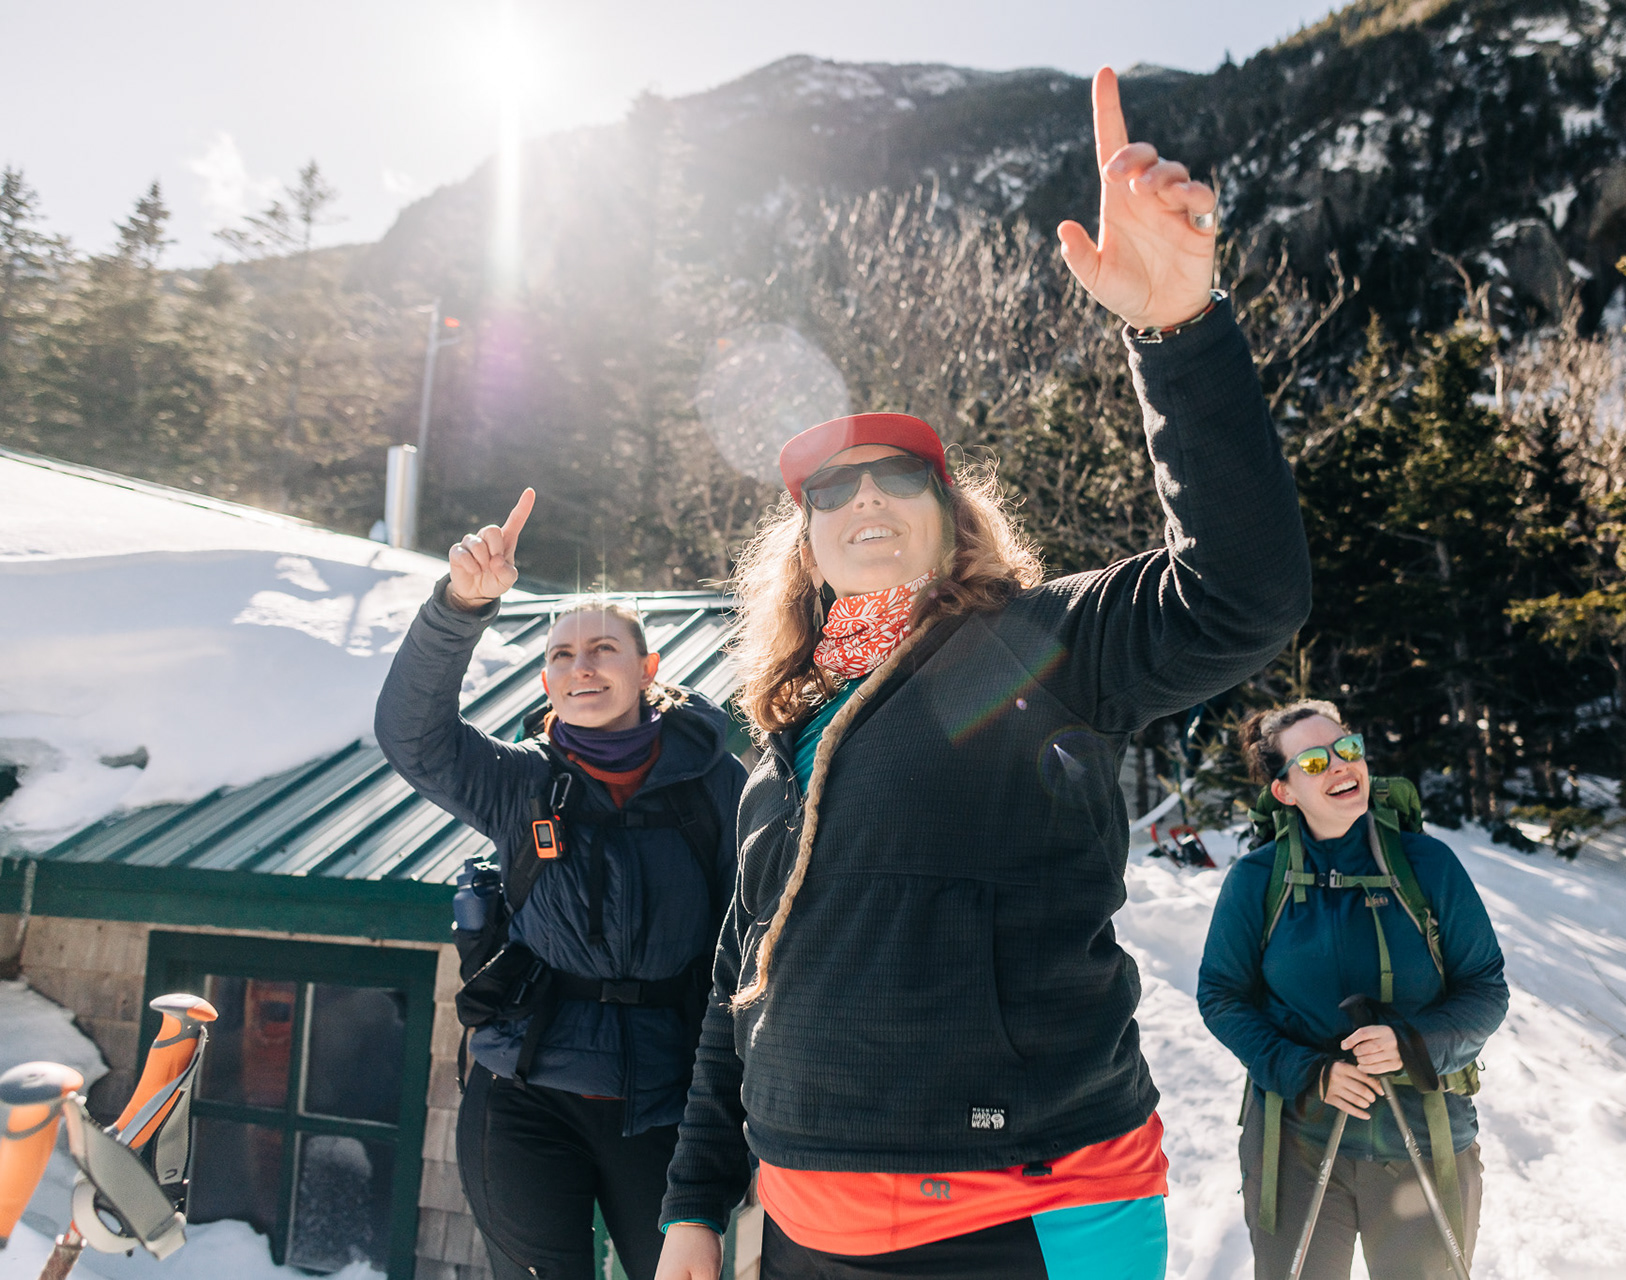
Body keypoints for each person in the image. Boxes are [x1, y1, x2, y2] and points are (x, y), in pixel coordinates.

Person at [654, 67, 1312, 1280]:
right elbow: (739, 980)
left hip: (1023, 1216)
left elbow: (1241, 593)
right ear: (806, 545)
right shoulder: (783, 739)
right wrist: (695, 1200)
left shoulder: (1021, 652)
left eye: (899, 477)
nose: (865, 496)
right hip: (803, 1230)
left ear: (951, 517)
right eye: (831, 489)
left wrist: (1178, 334)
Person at [375, 490, 747, 1280]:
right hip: (524, 1093)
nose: (582, 667)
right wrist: (460, 607)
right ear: (546, 680)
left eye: (604, 649)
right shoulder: (522, 784)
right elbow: (412, 737)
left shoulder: (716, 786)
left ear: (647, 669)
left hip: (667, 1103)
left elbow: (748, 944)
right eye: (562, 655)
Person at [1197, 701, 1509, 1280]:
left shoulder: (1427, 865)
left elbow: (1485, 988)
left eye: (1347, 749)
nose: (1341, 765)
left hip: (1422, 1136)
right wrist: (1309, 1073)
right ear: (1285, 791)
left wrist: (1413, 1043)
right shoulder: (1257, 879)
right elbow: (1221, 995)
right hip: (1297, 1142)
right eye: (1315, 761)